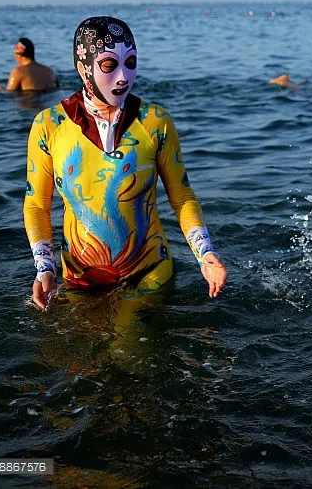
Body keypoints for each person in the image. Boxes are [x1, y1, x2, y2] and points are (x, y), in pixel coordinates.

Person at [24, 17, 227, 311]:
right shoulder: (49, 125)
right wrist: (45, 269)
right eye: (108, 65)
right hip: (80, 279)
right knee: (77, 357)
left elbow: (181, 196)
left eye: (130, 62)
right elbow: (37, 205)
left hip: (148, 273)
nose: (123, 76)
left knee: (130, 346)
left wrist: (206, 255)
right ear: (83, 69)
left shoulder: (155, 121)